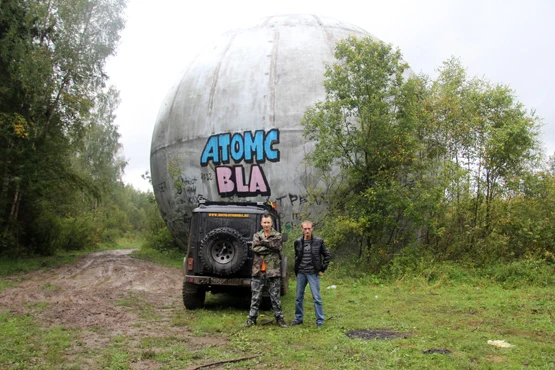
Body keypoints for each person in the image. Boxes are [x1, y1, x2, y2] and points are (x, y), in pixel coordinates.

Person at [245, 213, 287, 328]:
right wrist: (269, 247)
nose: (266, 224)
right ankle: (251, 319)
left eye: (268, 222)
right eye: (264, 222)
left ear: (271, 223)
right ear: (261, 223)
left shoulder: (277, 235)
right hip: (258, 270)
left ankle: (279, 318)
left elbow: (278, 247)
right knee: (255, 296)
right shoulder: (257, 235)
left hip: (273, 270)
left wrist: (262, 243)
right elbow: (254, 247)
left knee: (275, 296)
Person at [291, 220, 331, 328]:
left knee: (316, 297)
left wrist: (322, 269)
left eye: (309, 228)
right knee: (299, 297)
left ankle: (320, 321)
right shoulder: (298, 242)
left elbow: (327, 255)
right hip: (301, 273)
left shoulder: (319, 241)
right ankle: (298, 318)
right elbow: (297, 256)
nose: (307, 231)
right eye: (305, 229)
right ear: (302, 229)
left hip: (313, 273)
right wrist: (297, 269)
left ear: (312, 229)